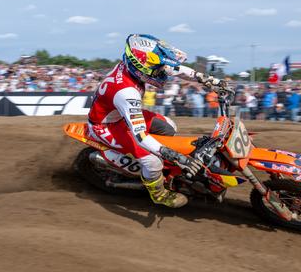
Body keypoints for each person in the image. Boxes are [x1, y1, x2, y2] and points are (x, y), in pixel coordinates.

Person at [86, 34, 226, 208]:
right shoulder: (127, 92)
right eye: (157, 69)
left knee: (169, 126)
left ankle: (166, 170)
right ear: (141, 69)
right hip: (104, 127)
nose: (161, 72)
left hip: (119, 115)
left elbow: (176, 69)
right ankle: (159, 194)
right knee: (153, 161)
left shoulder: (134, 66)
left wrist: (209, 80)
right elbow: (141, 137)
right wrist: (170, 153)